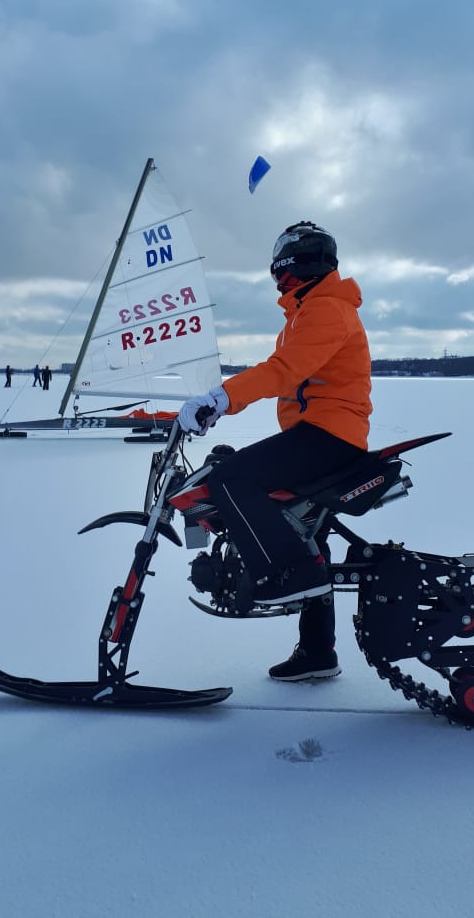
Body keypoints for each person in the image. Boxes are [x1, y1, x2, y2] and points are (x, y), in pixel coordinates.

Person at [178, 221, 372, 682]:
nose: (281, 284)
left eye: (283, 275)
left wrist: (221, 399)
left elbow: (285, 370)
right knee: (306, 534)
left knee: (230, 481)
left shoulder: (325, 309)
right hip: (323, 433)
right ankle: (317, 651)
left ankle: (282, 577)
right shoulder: (309, 310)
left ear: (297, 266)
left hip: (329, 436)